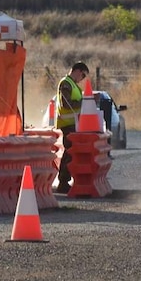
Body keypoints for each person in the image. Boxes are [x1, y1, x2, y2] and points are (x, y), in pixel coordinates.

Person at [54, 61, 89, 193]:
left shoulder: (73, 85)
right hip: (67, 124)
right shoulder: (66, 83)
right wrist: (84, 102)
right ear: (78, 71)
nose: (82, 79)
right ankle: (63, 181)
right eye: (83, 75)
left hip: (73, 124)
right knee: (69, 153)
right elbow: (66, 104)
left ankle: (65, 181)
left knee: (71, 152)